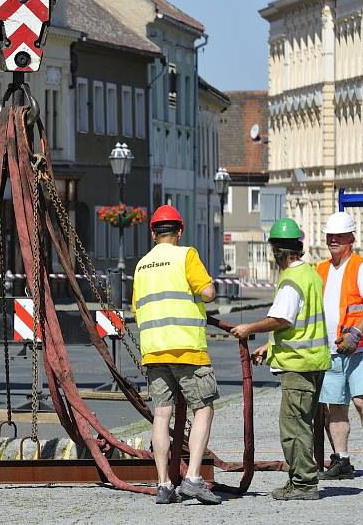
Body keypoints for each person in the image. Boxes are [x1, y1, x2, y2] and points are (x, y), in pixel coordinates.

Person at [230, 218, 331, 501]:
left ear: (278, 252)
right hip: (313, 361)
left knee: (294, 427)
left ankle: (303, 484)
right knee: (303, 424)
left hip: (299, 365)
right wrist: (269, 346)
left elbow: (282, 317)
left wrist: (249, 328)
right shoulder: (311, 274)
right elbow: (299, 324)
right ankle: (300, 479)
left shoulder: (291, 281)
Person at [131, 205, 220, 505]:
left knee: (161, 414)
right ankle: (194, 477)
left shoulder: (142, 265)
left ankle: (163, 484)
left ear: (152, 232)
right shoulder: (186, 256)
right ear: (180, 231)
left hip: (154, 351)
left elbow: (137, 307)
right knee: (203, 408)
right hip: (187, 348)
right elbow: (207, 292)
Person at [316, 211, 363, 481]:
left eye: (340, 236)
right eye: (330, 236)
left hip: (357, 350)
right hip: (332, 351)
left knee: (362, 401)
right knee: (334, 406)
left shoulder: (362, 267)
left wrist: (356, 334)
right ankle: (342, 460)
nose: (334, 240)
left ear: (351, 238)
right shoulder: (321, 269)